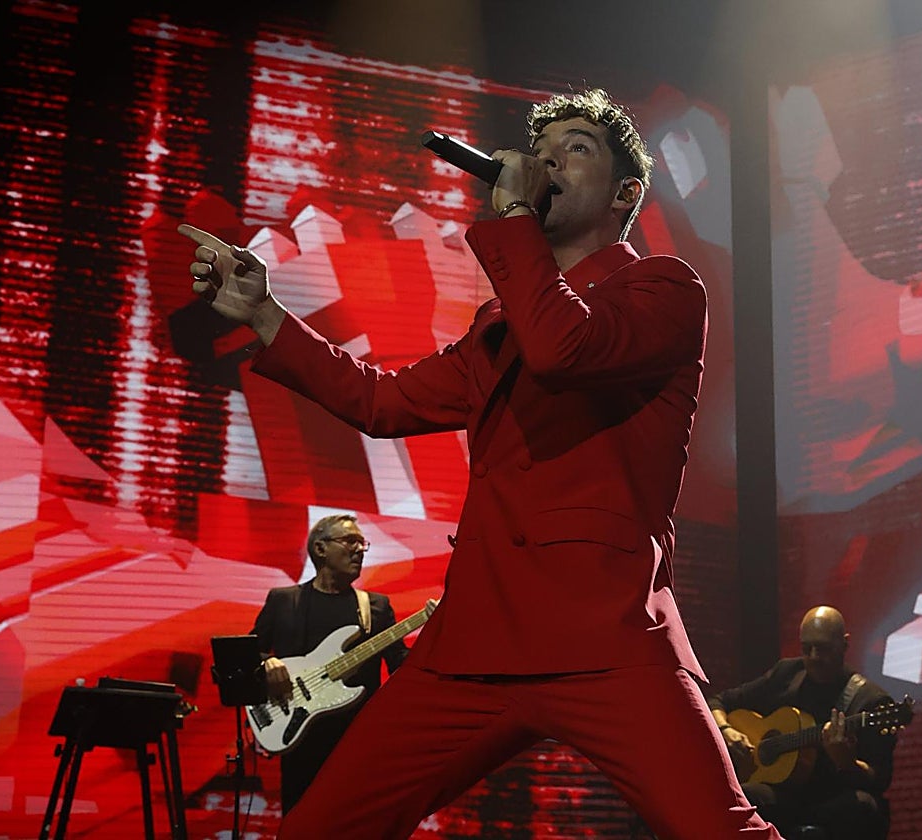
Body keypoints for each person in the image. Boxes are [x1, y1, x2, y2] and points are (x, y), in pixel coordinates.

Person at [181, 88, 780, 838]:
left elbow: (564, 347)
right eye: (545, 148)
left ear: (626, 192)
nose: (548, 160)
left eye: (577, 149)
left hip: (606, 637)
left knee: (721, 831)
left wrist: (517, 221)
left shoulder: (661, 289)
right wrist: (267, 314)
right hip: (476, 643)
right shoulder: (497, 328)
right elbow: (382, 402)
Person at [251, 513, 414, 813]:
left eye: (362, 543)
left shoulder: (375, 607)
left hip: (356, 744)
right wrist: (267, 665)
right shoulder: (284, 600)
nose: (359, 550)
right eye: (350, 541)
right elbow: (245, 657)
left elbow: (401, 666)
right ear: (320, 549)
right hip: (299, 738)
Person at [708, 606, 897, 839]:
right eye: (807, 648)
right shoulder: (787, 673)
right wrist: (726, 730)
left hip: (832, 799)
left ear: (845, 644)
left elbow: (879, 778)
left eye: (824, 648)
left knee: (863, 808)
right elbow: (718, 701)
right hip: (785, 796)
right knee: (737, 797)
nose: (814, 657)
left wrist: (848, 763)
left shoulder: (871, 702)